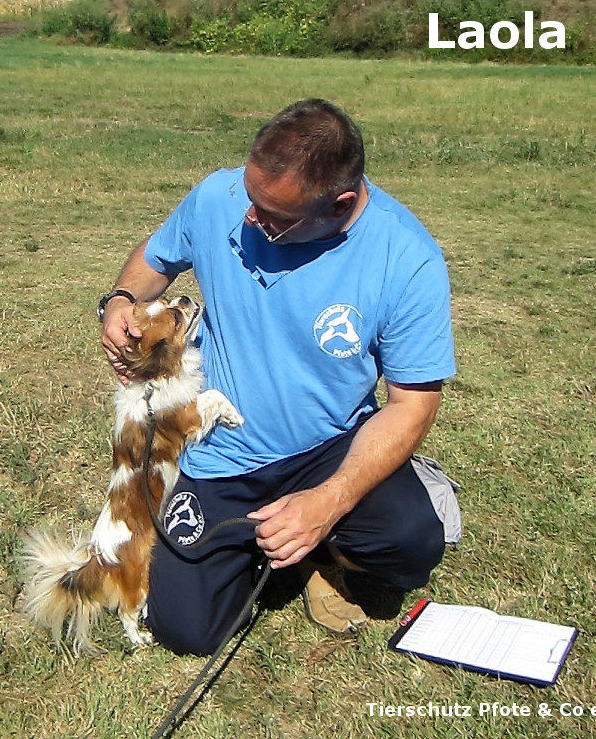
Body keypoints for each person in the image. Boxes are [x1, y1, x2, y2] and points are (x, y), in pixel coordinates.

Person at [99, 98, 458, 655]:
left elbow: (412, 404)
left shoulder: (407, 259)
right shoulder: (218, 198)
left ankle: (323, 550)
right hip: (223, 453)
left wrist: (330, 500)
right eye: (249, 197)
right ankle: (272, 549)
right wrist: (122, 298)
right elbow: (158, 255)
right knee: (186, 630)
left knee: (409, 542)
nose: (248, 218)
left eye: (273, 215)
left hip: (329, 448)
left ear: (339, 204)